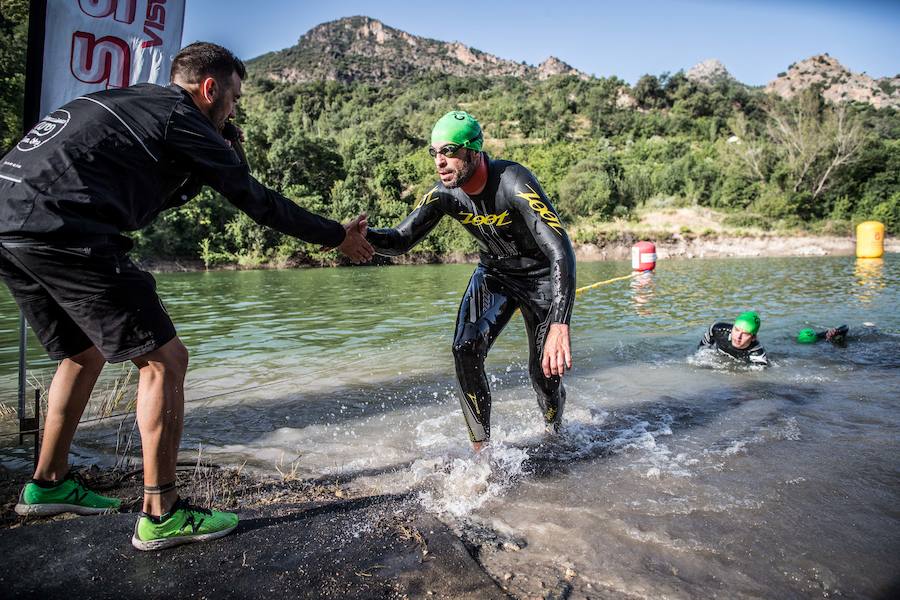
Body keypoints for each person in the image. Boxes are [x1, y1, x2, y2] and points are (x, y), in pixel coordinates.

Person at [0, 42, 373, 550]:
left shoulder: (136, 99)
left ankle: (47, 485)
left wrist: (221, 150)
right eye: (235, 98)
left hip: (10, 219)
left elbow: (172, 189)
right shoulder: (182, 119)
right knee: (165, 361)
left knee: (81, 353)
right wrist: (338, 236)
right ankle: (162, 514)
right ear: (210, 88)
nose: (236, 109)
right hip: (65, 226)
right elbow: (257, 202)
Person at [366, 111, 576, 451]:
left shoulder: (514, 182)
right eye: (434, 152)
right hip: (494, 276)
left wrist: (560, 325)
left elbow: (560, 250)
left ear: (473, 151)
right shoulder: (444, 195)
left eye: (449, 150)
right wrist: (357, 236)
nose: (440, 161)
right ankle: (482, 451)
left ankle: (555, 431)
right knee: (464, 349)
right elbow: (400, 240)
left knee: (545, 375)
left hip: (541, 280)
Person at [698, 311, 769, 366]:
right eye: (736, 330)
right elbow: (701, 350)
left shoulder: (757, 355)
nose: (738, 337)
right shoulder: (717, 330)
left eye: (745, 334)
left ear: (753, 338)